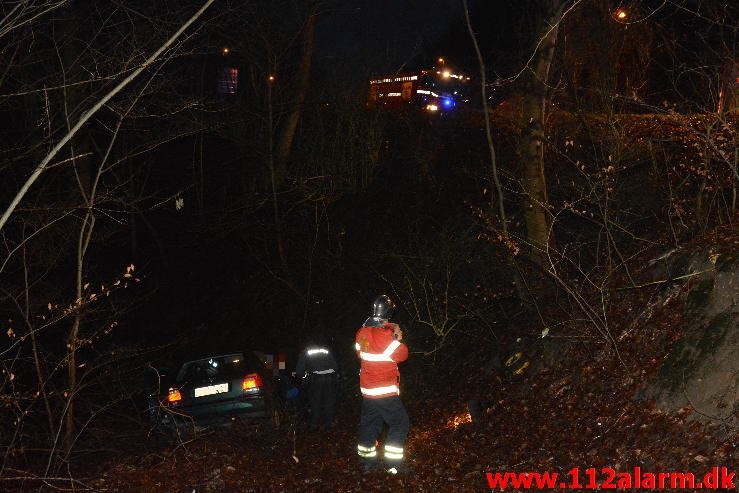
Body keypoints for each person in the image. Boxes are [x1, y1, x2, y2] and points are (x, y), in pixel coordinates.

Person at [355, 294, 409, 475]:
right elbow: (402, 354)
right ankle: (393, 465)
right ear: (389, 312)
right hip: (384, 392)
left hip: (368, 392)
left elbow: (360, 353)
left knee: (370, 425)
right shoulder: (386, 337)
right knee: (400, 423)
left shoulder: (361, 333)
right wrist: (398, 338)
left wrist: (390, 330)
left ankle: (366, 463)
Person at [294, 338, 339, 430]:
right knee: (329, 402)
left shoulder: (306, 352)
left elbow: (299, 370)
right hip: (330, 380)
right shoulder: (325, 351)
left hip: (316, 381)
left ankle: (315, 425)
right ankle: (329, 423)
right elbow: (335, 366)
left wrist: (303, 376)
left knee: (315, 402)